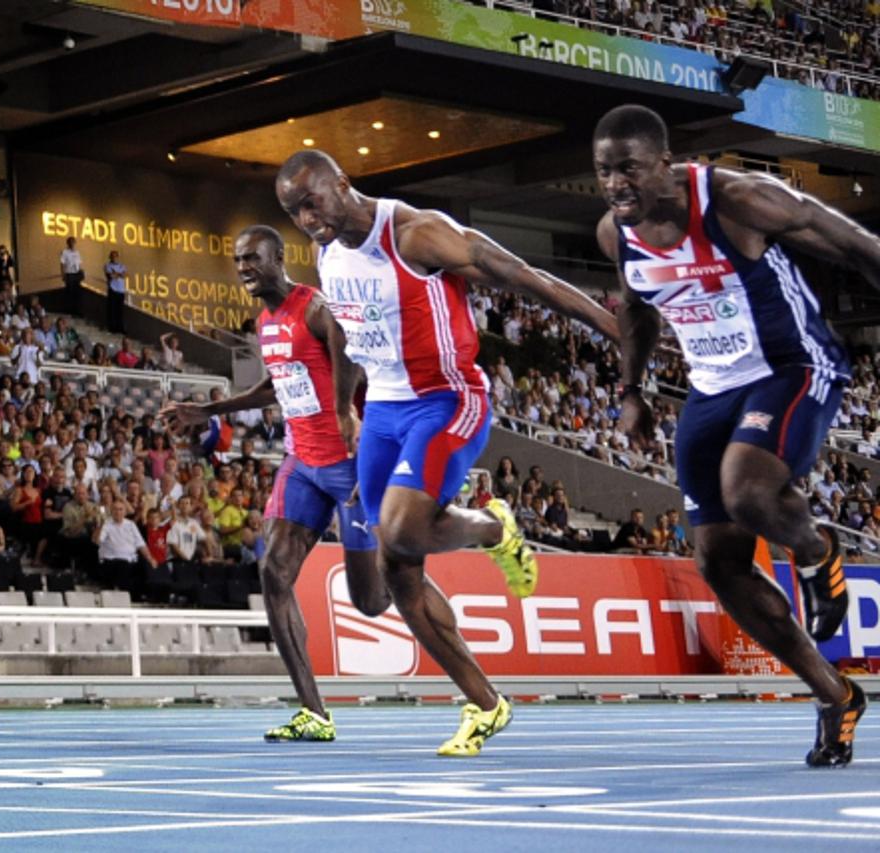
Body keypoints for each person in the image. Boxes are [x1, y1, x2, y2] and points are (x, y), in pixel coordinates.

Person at [276, 149, 618, 757]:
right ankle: (485, 704)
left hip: (446, 400)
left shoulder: (415, 234)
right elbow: (351, 336)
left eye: (311, 201)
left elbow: (522, 275)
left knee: (403, 531)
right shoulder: (326, 253)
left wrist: (614, 329)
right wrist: (343, 412)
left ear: (343, 184)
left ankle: (491, 527)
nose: (305, 217)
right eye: (293, 211)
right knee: (395, 568)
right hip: (381, 410)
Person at [593, 104, 875, 766]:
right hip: (712, 387)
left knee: (747, 492)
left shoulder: (737, 198)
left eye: (628, 169)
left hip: (792, 365)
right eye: (604, 171)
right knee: (717, 561)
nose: (615, 185)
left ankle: (815, 550)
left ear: (665, 163)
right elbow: (635, 311)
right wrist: (630, 393)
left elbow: (855, 242)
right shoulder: (617, 233)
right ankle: (836, 694)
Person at [162, 224, 388, 742]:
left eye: (252, 258)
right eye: (238, 260)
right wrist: (210, 409)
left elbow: (352, 359)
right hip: (301, 463)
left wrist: (353, 423)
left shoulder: (315, 307)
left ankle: (408, 558)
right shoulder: (265, 322)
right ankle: (313, 712)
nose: (243, 267)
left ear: (279, 258)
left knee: (373, 600)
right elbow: (277, 384)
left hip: (349, 465)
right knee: (273, 570)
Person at [104, 250, 127, 334]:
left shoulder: (122, 266)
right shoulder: (107, 265)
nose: (114, 258)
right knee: (112, 310)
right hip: (112, 290)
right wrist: (119, 274)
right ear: (110, 257)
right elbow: (110, 276)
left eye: (115, 256)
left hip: (121, 291)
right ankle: (112, 327)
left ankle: (120, 327)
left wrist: (116, 274)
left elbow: (124, 275)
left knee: (120, 311)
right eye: (112, 256)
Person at [60, 237, 83, 314]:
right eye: (70, 242)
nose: (72, 244)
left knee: (77, 293)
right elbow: (62, 264)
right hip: (69, 274)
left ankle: (77, 310)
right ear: (68, 243)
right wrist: (63, 274)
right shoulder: (65, 252)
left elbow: (79, 263)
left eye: (73, 242)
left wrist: (80, 271)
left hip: (76, 274)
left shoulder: (77, 252)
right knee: (70, 293)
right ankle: (69, 310)